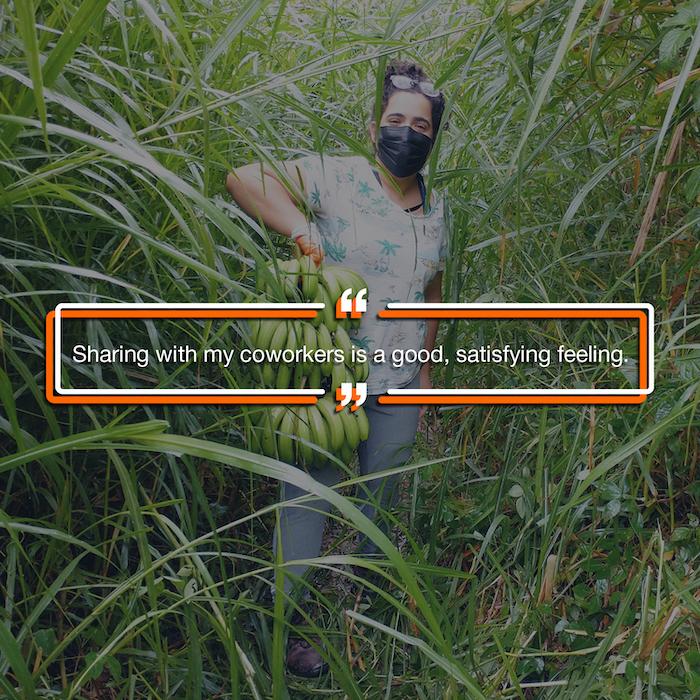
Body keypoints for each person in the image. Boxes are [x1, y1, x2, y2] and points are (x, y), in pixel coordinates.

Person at [226, 59, 449, 677]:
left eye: (420, 125)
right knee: (306, 500)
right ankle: (277, 629)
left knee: (381, 501)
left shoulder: (438, 210)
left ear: (434, 136)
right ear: (376, 125)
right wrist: (300, 225)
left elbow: (434, 290)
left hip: (399, 382)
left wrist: (426, 372)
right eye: (395, 120)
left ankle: (363, 595)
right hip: (332, 380)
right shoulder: (337, 178)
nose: (406, 133)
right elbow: (242, 179)